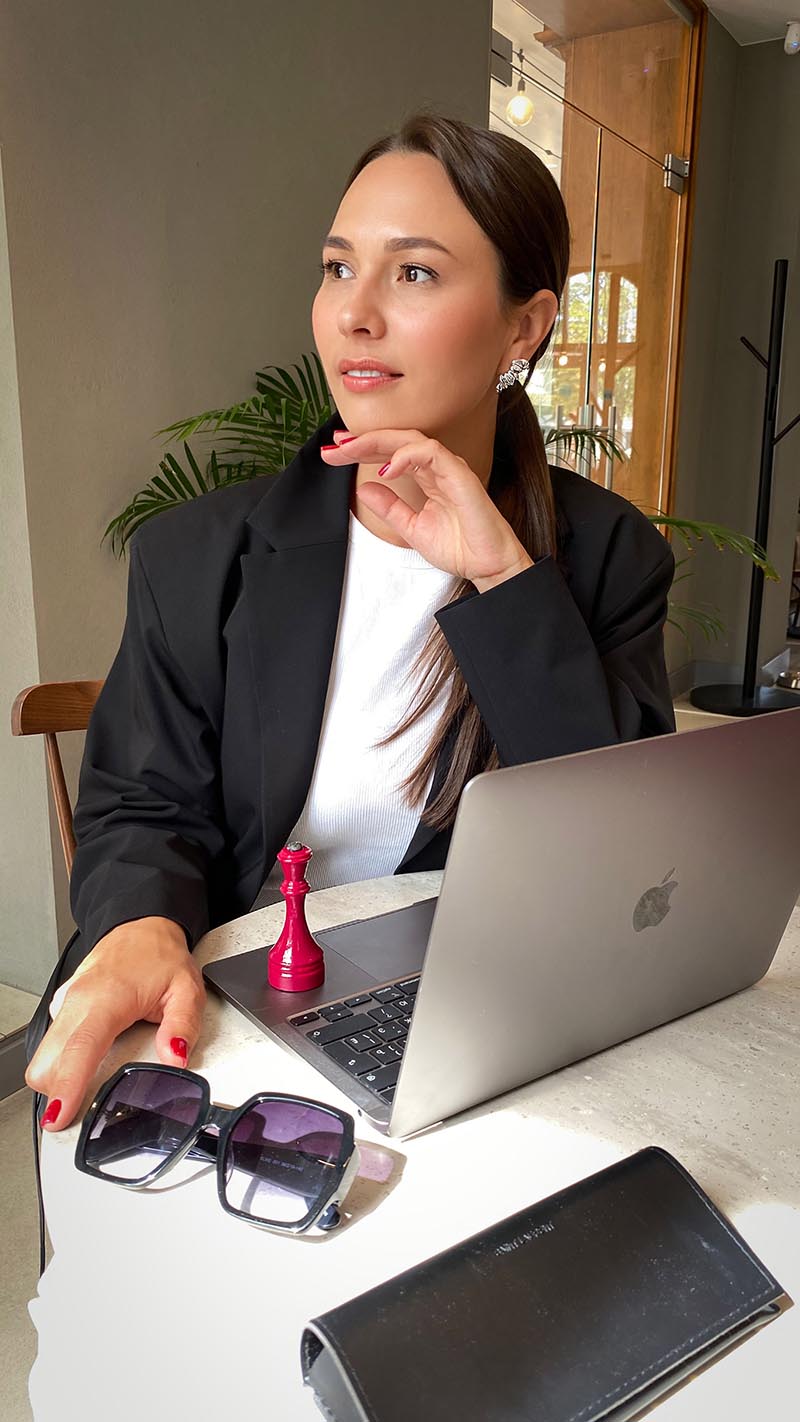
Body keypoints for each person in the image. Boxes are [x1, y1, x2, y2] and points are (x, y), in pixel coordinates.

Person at [25, 111, 675, 1131]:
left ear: (523, 328)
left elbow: (623, 864)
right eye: (337, 269)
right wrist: (142, 923)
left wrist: (504, 579)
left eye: (413, 273)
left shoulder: (606, 558)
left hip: (465, 1024)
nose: (353, 315)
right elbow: (142, 807)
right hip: (219, 997)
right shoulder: (197, 554)